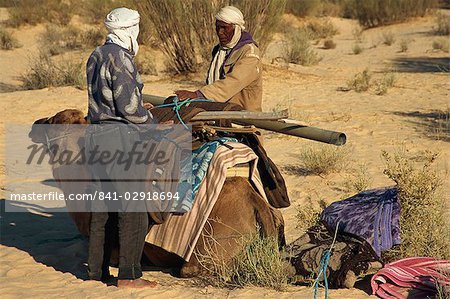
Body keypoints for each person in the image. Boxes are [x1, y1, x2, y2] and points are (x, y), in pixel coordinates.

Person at [84, 7, 156, 288]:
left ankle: (95, 273)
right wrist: (149, 119)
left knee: (102, 209)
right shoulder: (121, 58)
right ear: (130, 30)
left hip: (96, 135)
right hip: (119, 139)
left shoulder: (97, 54)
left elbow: (108, 99)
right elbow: (129, 108)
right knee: (133, 207)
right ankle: (129, 275)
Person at [175, 6, 263, 112]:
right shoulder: (219, 50)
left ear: (236, 28)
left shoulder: (250, 53)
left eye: (225, 28)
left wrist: (198, 95)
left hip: (243, 118)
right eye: (218, 27)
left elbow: (234, 82)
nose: (220, 32)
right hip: (221, 111)